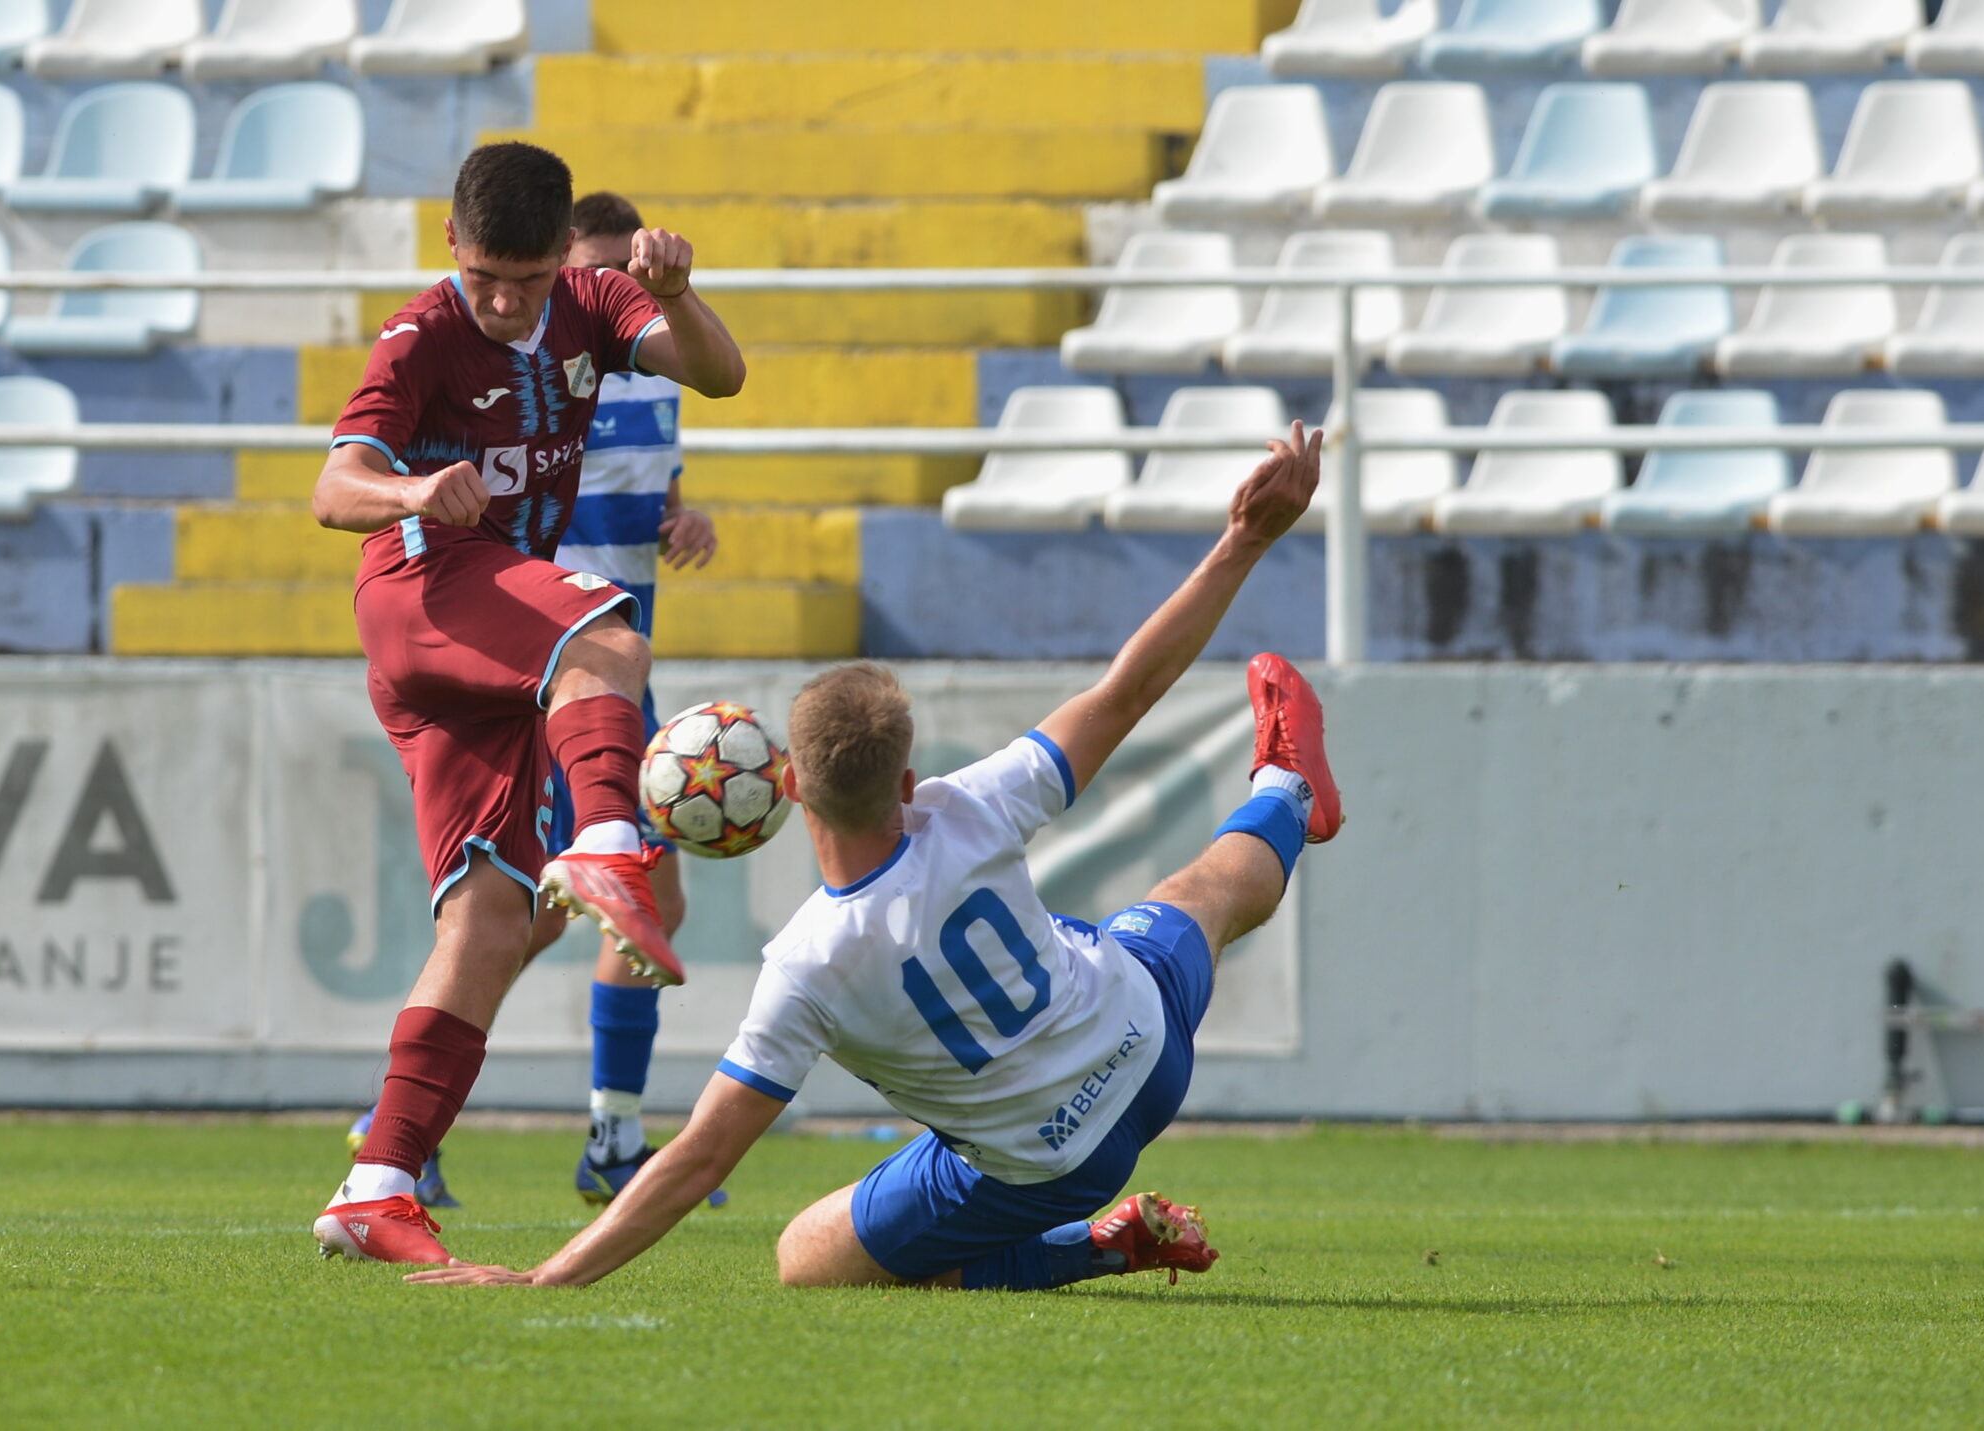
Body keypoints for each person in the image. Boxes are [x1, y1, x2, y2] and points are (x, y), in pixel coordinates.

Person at [409, 421, 1338, 1290]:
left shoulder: (810, 964)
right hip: (1144, 1038)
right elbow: (1128, 687)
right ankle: (1285, 791)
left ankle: (1098, 1242)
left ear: (790, 789)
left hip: (1056, 1158)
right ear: (906, 779)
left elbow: (699, 1156)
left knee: (805, 1255)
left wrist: (544, 1275)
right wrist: (1245, 539)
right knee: (1206, 895)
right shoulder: (968, 804)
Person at [308, 142, 747, 1266]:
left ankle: (378, 1183)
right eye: (486, 275)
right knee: (608, 638)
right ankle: (608, 841)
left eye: (529, 279)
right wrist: (410, 485)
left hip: (478, 643)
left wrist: (675, 294)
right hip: (419, 587)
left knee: (490, 925)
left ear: (562, 256)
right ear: (452, 244)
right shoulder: (419, 337)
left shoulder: (595, 304)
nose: (505, 302)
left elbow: (722, 374)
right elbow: (331, 488)